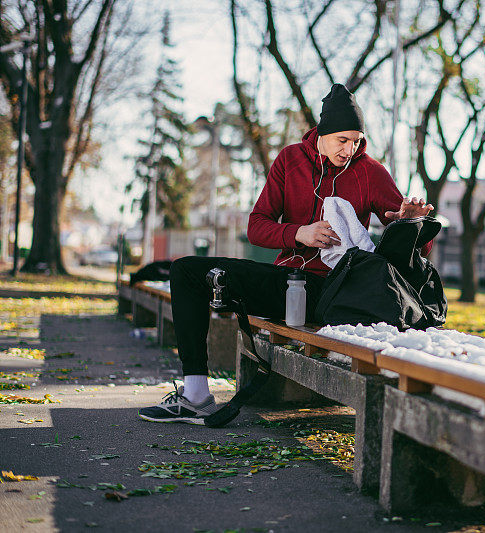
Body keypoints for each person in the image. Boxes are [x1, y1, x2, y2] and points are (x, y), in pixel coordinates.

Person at [139, 84, 434, 424]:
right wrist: (299, 233)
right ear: (322, 132)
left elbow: (414, 254)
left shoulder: (370, 171)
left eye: (356, 140)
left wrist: (412, 224)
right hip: (289, 284)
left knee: (200, 274)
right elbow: (256, 226)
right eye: (342, 140)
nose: (350, 149)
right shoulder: (290, 160)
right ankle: (195, 396)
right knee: (187, 271)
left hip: (338, 291)